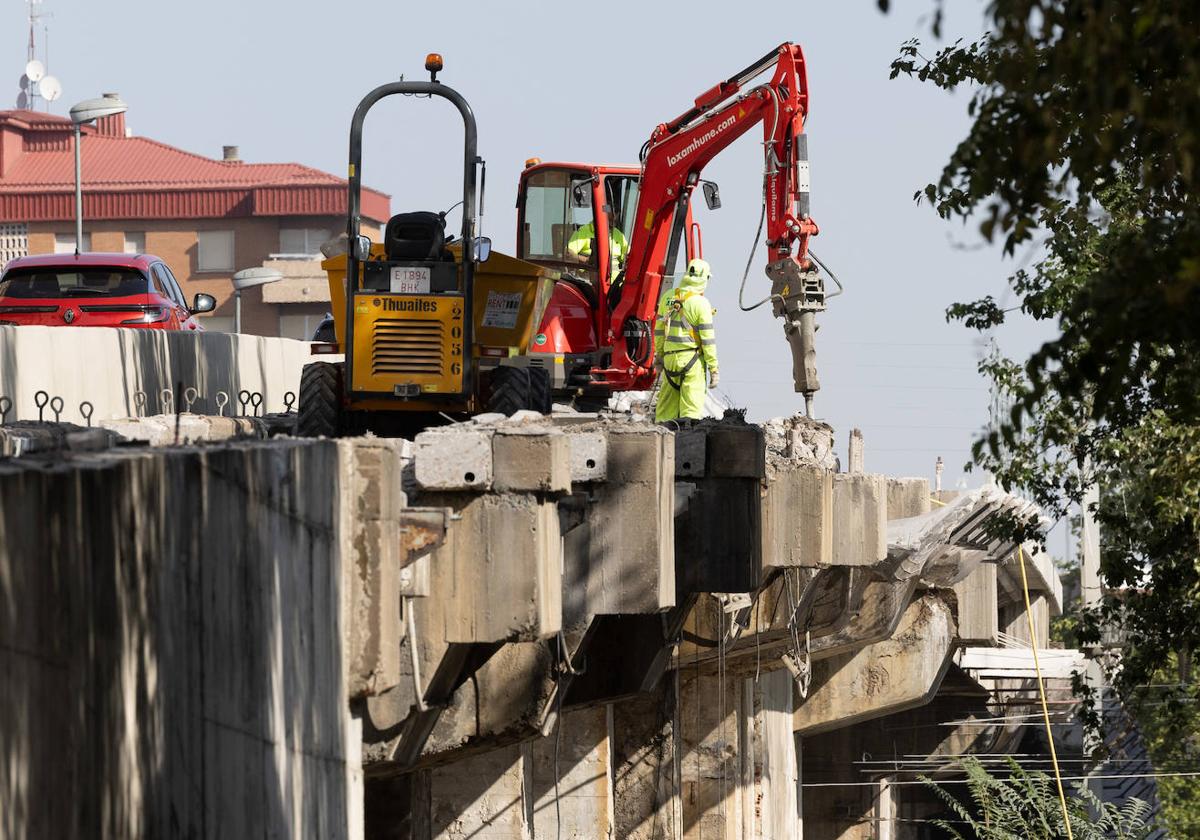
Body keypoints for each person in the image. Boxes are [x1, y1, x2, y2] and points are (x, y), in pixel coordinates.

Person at [654, 258, 719, 421]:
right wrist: (713, 367)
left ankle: (661, 439)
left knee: (665, 411)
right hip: (692, 361)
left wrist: (659, 356)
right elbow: (708, 339)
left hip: (670, 361)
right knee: (691, 409)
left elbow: (659, 331)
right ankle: (687, 441)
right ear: (704, 278)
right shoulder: (701, 303)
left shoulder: (668, 297)